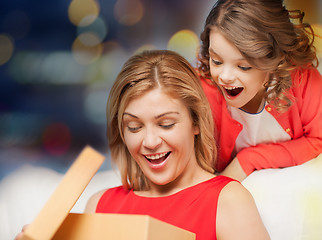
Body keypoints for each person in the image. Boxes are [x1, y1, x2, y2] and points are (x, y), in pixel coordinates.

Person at [84, 50, 270, 239]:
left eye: (166, 124)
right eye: (134, 127)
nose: (150, 142)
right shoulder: (99, 206)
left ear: (195, 121)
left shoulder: (227, 201)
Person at [198, 0, 322, 181]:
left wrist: (249, 159)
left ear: (275, 60)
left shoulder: (302, 78)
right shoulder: (199, 92)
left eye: (243, 66)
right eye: (216, 61)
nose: (224, 77)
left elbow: (318, 140)